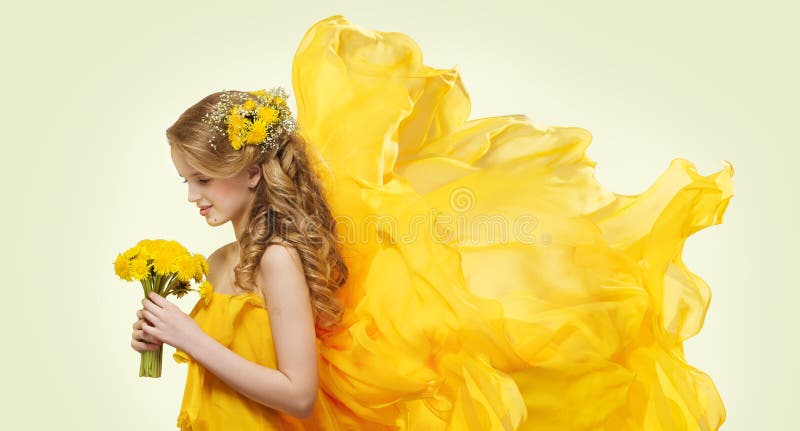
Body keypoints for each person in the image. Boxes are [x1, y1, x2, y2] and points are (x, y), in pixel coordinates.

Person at [132, 14, 732, 431]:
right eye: (185, 180)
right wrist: (167, 338)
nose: (191, 196)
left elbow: (298, 392)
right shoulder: (216, 265)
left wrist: (194, 339)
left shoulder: (280, 260)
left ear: (253, 172)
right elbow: (236, 366)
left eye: (203, 179)